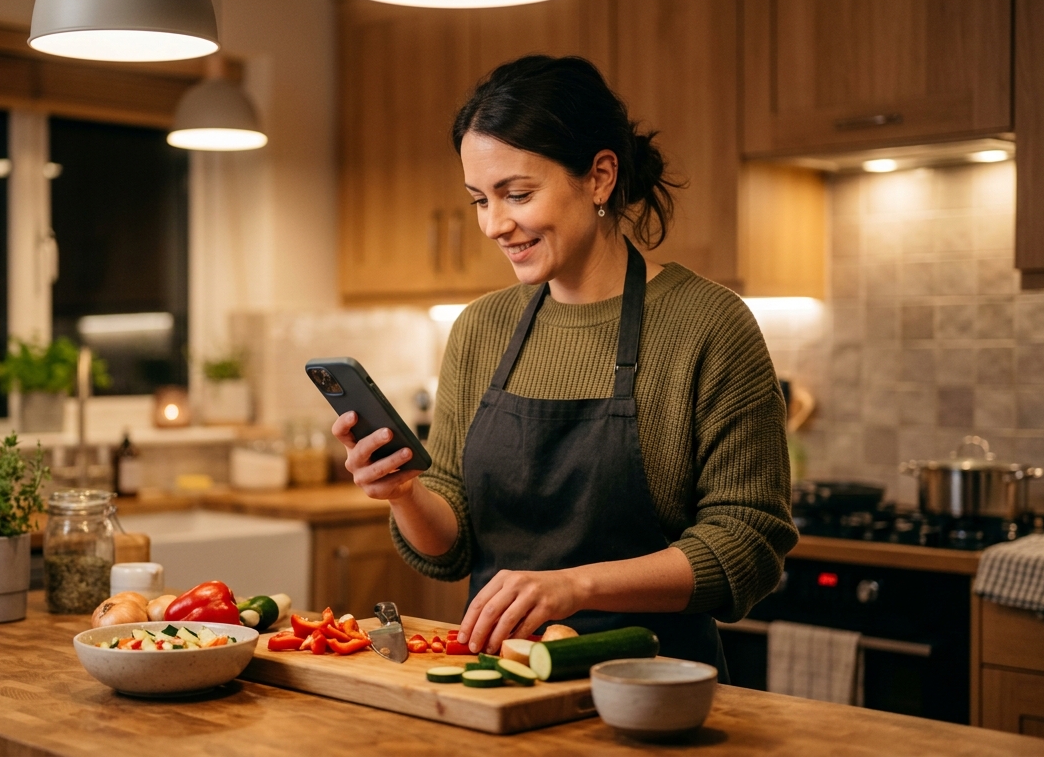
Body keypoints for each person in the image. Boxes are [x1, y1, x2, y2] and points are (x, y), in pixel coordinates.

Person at [330, 55, 797, 674]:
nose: (495, 225)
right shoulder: (480, 329)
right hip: (496, 685)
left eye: (517, 194)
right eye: (479, 199)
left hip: (651, 689)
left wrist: (574, 587)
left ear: (600, 176)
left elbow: (749, 543)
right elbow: (450, 549)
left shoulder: (708, 324)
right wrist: (404, 493)